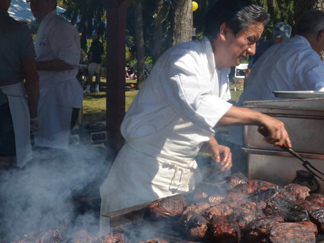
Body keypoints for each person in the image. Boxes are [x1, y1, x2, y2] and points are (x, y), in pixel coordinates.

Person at [99, 0, 292, 236]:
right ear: (224, 31)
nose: (252, 50)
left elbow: (196, 118)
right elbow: (198, 106)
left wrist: (211, 143)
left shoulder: (220, 72)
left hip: (182, 184)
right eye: (249, 40)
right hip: (142, 178)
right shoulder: (183, 60)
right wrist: (262, 118)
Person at [229, 9, 324, 173]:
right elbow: (321, 96)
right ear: (321, 35)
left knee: (239, 191)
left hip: (239, 138)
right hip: (264, 146)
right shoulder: (306, 56)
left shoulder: (274, 50)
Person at [29, 0, 83, 150]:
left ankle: (58, 172)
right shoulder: (45, 25)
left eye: (38, 1)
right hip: (49, 93)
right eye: (31, 1)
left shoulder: (59, 26)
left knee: (55, 147)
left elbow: (68, 62)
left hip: (59, 95)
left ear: (52, 2)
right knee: (46, 144)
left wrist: (29, 66)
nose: (33, 4)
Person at [0, 0, 39, 169]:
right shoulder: (18, 30)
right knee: (5, 160)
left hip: (7, 102)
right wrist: (34, 113)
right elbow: (31, 75)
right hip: (7, 105)